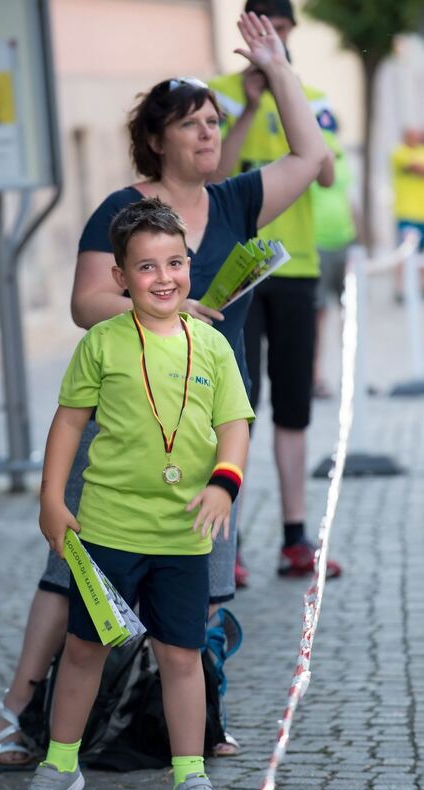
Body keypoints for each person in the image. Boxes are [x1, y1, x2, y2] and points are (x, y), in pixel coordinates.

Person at [0, 8, 330, 766]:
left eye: (214, 121)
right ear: (157, 139)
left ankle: (194, 719)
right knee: (69, 576)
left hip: (206, 424)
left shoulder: (237, 201)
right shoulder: (125, 209)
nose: (209, 134)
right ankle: (16, 713)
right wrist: (170, 306)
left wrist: (276, 69)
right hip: (122, 421)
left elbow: (309, 157)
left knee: (202, 579)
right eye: (193, 124)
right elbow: (85, 303)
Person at [21, 197, 253, 790]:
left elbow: (235, 427)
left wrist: (224, 483)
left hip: (182, 535)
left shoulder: (212, 346)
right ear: (121, 278)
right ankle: (61, 766)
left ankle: (189, 774)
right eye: (146, 268)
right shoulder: (101, 342)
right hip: (107, 530)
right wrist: (51, 498)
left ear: (189, 266)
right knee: (82, 649)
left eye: (174, 263)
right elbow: (69, 423)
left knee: (182, 656)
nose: (164, 278)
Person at [209, 0, 342, 579]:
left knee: (292, 406)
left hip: (295, 270)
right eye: (262, 29)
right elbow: (216, 178)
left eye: (282, 30)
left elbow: (327, 171)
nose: (273, 40)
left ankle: (294, 537)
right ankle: (225, 542)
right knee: (236, 408)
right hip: (234, 273)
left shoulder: (313, 97)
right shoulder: (213, 93)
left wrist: (286, 93)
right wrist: (249, 107)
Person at [311, 134, 359, 399]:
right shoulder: (311, 154)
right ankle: (316, 377)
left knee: (350, 312)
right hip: (317, 244)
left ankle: (353, 374)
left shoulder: (340, 156)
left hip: (345, 241)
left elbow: (349, 200)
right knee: (318, 315)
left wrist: (358, 240)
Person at [391, 128, 424, 302]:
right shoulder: (399, 153)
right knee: (405, 253)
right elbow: (417, 168)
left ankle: (422, 288)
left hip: (422, 214)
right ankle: (399, 290)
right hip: (407, 213)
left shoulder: (420, 152)